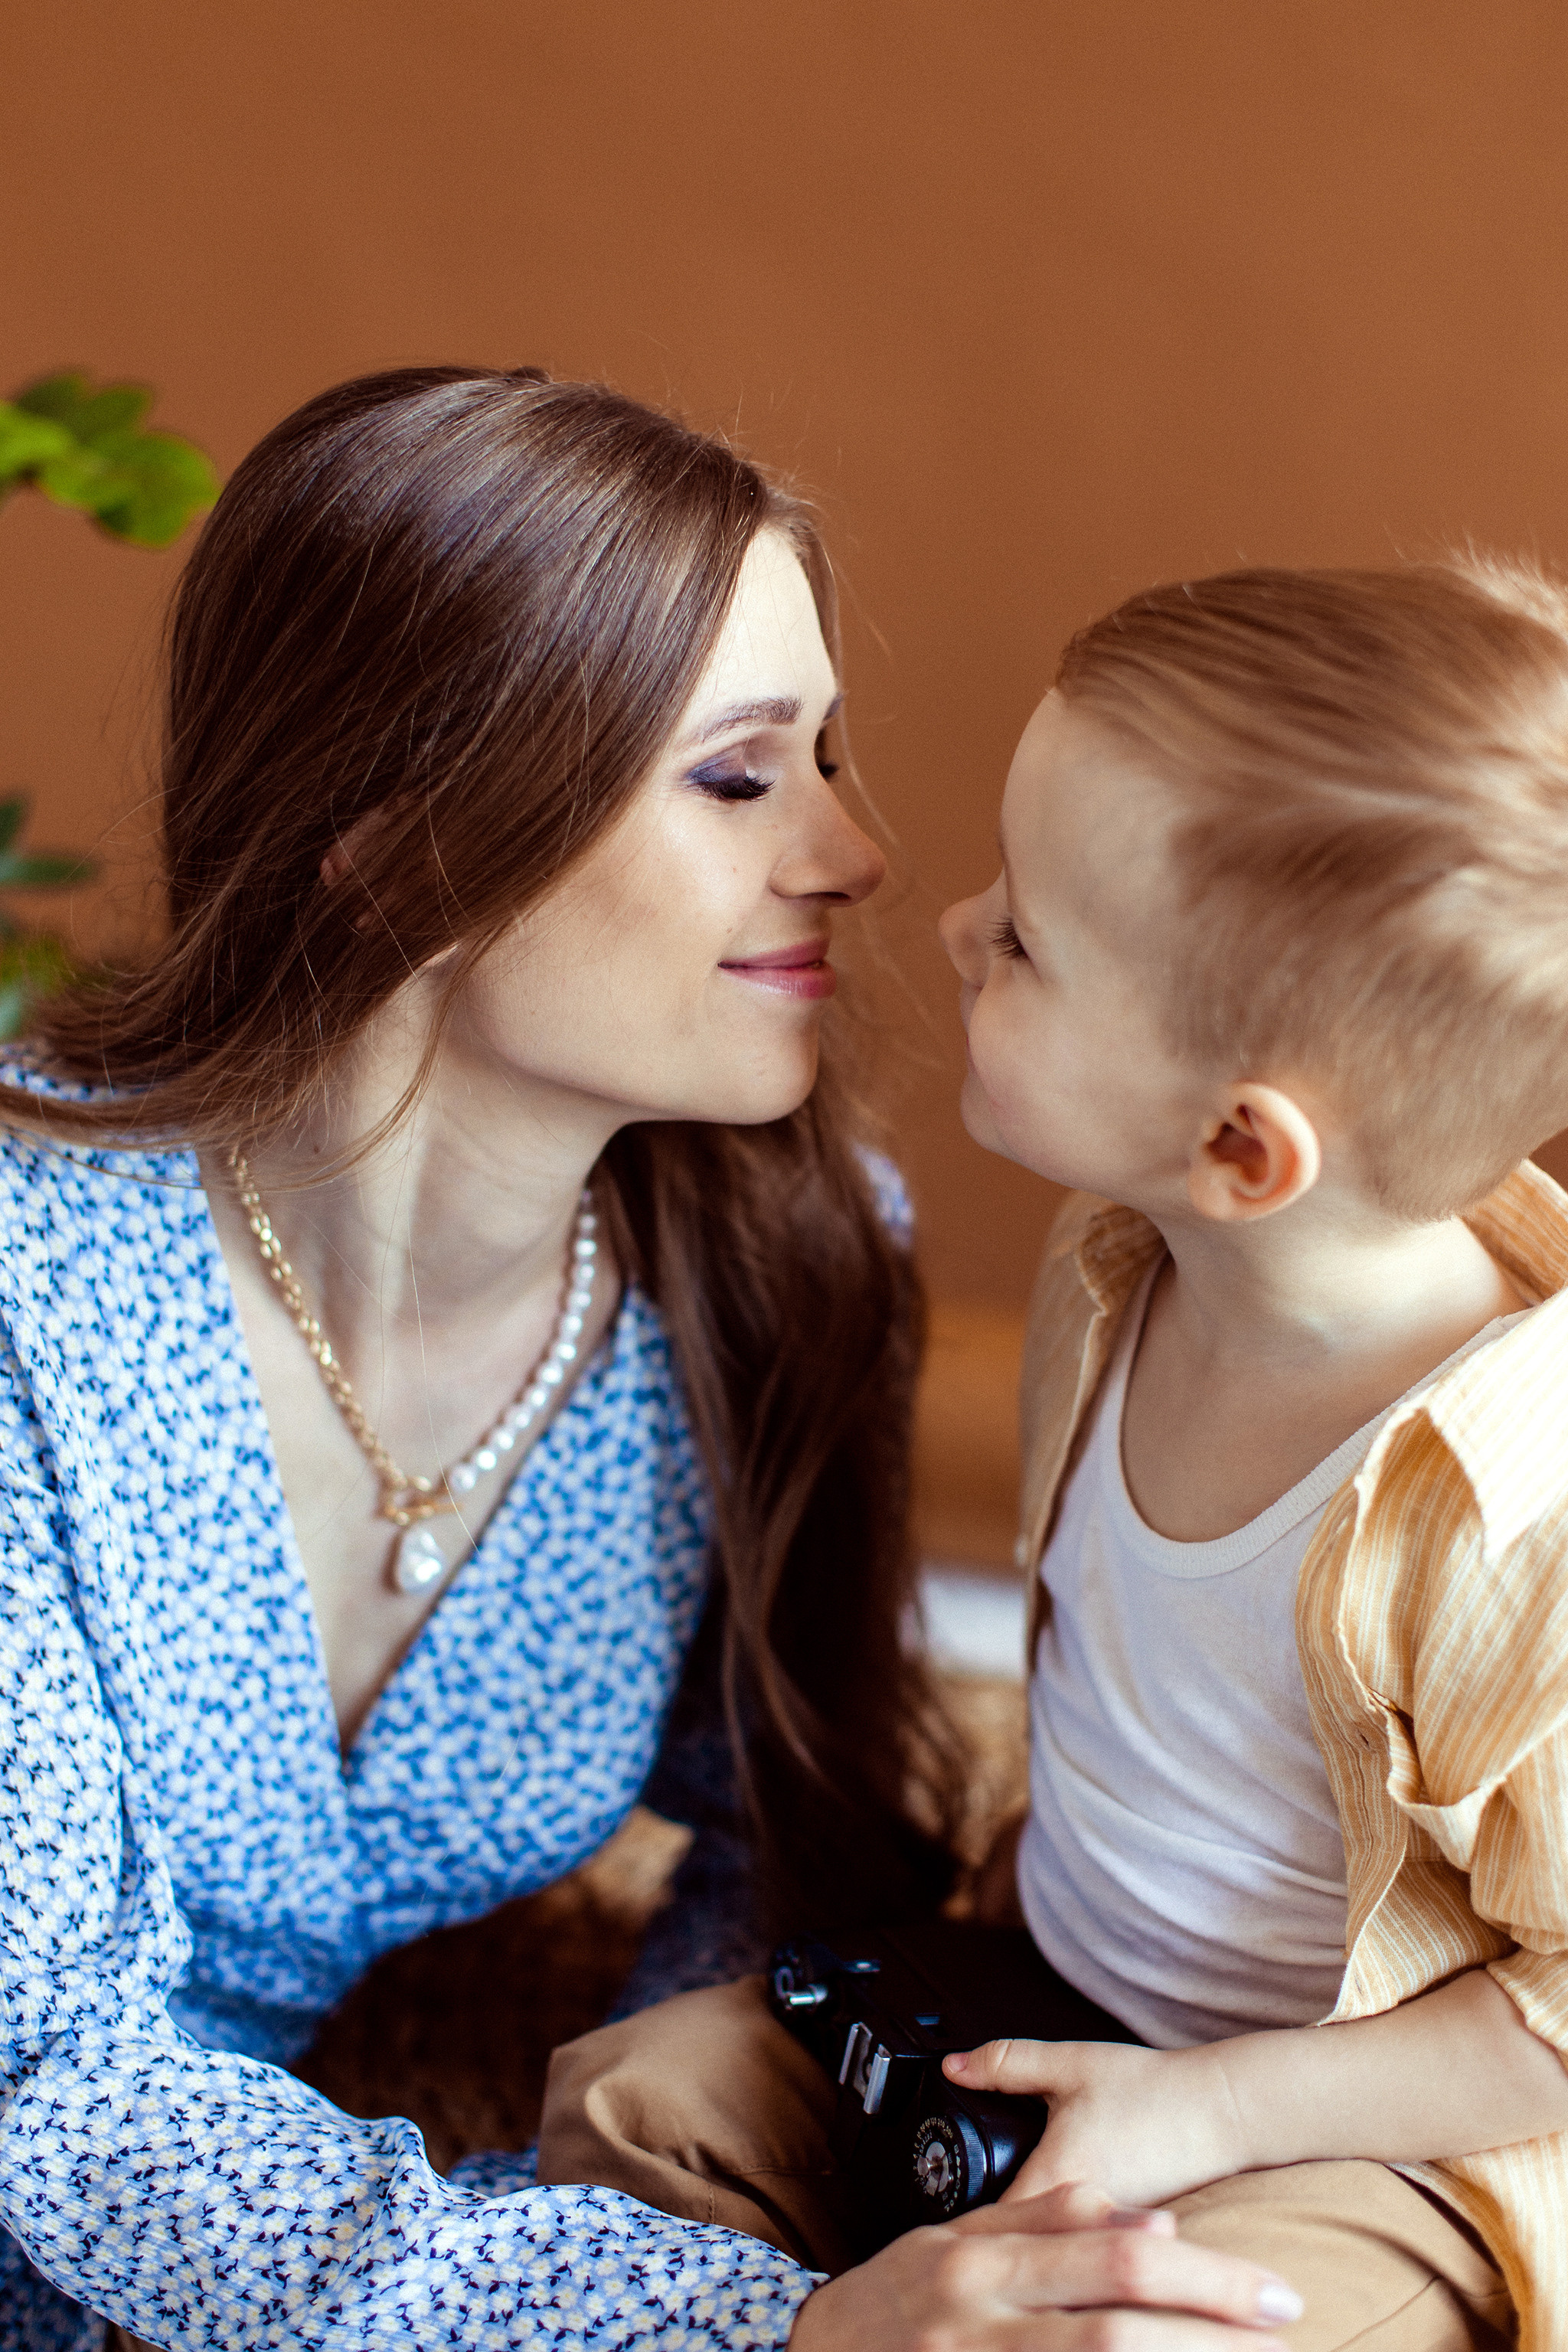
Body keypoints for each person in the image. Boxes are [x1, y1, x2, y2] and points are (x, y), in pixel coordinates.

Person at [0, 363, 976, 2350]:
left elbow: (787, 1836)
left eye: (833, 756)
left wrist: (611, 2195)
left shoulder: (785, 1255)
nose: (857, 852)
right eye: (739, 776)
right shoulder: (26, 1281)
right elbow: (48, 2079)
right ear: (401, 849)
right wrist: (714, 2326)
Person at [540, 558, 1568, 2351]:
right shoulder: (1115, 1283)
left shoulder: (1519, 1513)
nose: (951, 924)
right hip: (1056, 1990)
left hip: (1365, 2138)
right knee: (639, 2104)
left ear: (1244, 1152)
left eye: (1026, 940)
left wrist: (1216, 2113)